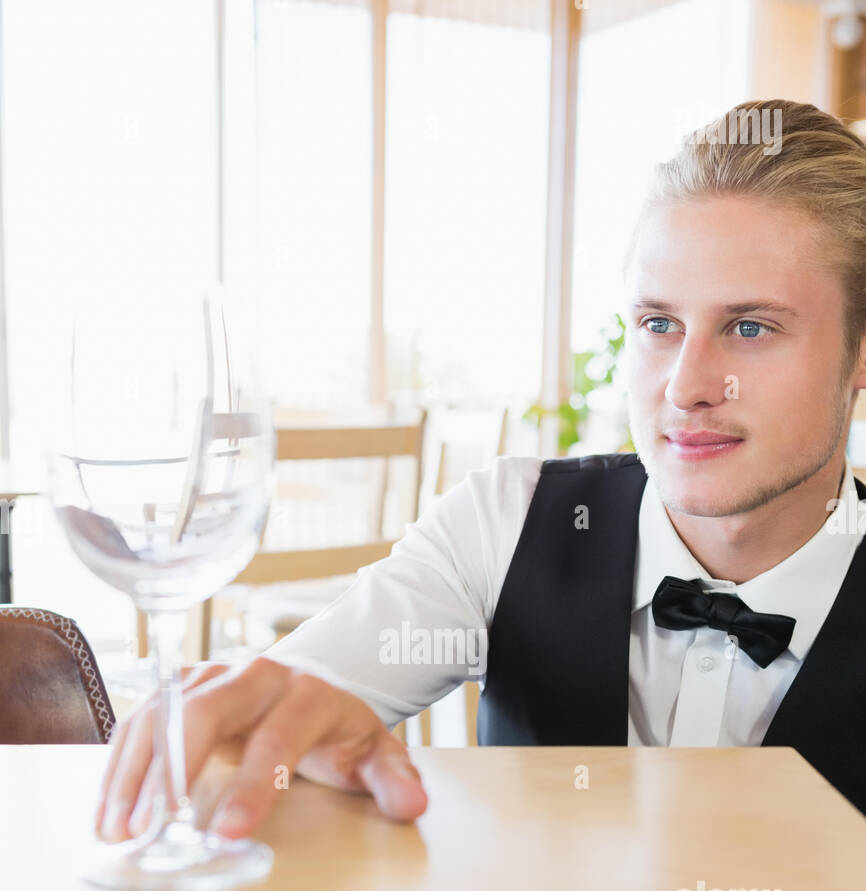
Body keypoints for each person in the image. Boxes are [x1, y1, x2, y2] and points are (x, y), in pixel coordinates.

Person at [97, 98, 866, 843]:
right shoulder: (509, 519)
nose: (686, 385)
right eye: (659, 323)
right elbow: (290, 708)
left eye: (752, 327)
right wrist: (266, 723)